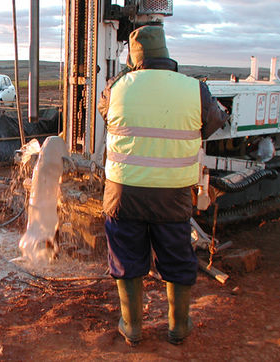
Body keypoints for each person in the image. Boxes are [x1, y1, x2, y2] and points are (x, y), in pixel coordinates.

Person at [97, 25, 229, 346]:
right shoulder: (194, 89)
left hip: (123, 193)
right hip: (173, 195)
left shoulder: (115, 88)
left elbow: (108, 116)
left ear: (133, 57)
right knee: (176, 256)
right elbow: (213, 123)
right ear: (166, 54)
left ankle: (131, 327)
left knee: (126, 257)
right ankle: (179, 327)